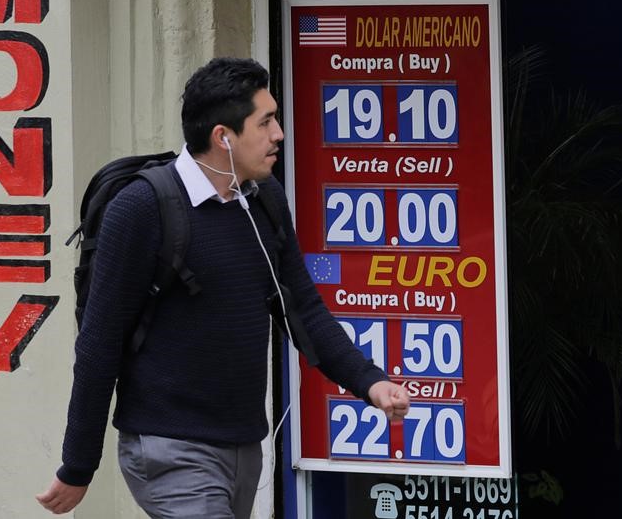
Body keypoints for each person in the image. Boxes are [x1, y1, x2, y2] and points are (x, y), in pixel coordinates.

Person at [36, 57, 410, 518]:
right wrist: (78, 465)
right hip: (168, 450)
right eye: (266, 122)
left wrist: (370, 382)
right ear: (223, 137)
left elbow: (304, 309)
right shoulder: (142, 208)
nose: (279, 135)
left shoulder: (264, 199)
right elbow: (99, 344)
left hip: (242, 448)